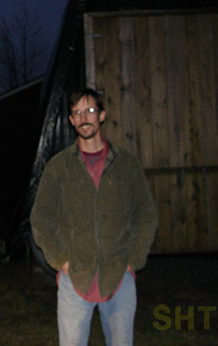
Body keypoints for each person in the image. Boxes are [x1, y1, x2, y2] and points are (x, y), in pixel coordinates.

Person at [30, 87, 158, 346]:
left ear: (102, 115)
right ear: (70, 120)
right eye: (77, 113)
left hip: (118, 277)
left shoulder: (126, 165)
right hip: (74, 280)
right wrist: (61, 261)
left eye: (89, 111)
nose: (83, 118)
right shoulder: (58, 167)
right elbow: (41, 218)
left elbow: (146, 215)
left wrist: (133, 259)